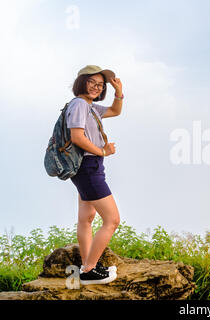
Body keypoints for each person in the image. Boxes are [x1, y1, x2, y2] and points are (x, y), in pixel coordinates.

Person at [66, 65, 123, 285]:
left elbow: (115, 111)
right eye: (92, 82)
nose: (96, 87)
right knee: (112, 219)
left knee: (86, 219)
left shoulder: (90, 107)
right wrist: (102, 151)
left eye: (100, 85)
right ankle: (88, 270)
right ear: (82, 82)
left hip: (88, 167)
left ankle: (87, 265)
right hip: (89, 167)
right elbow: (77, 137)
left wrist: (119, 92)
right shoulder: (80, 104)